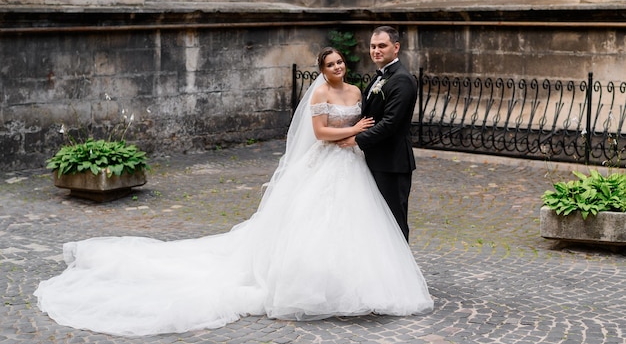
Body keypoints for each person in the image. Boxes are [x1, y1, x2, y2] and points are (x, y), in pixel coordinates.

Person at [34, 47, 433, 337]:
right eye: (329, 64)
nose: (337, 67)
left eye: (340, 62)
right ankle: (309, 286)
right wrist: (353, 132)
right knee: (313, 224)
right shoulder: (320, 94)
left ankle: (356, 283)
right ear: (322, 69)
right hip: (327, 163)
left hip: (352, 167)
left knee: (356, 225)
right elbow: (321, 133)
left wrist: (359, 134)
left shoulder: (357, 90)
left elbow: (370, 119)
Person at [338, 26, 418, 241]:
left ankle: (401, 272)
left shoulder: (402, 80)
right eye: (373, 46)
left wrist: (356, 139)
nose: (376, 51)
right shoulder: (380, 77)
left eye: (382, 46)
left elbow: (390, 123)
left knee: (393, 221)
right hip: (375, 160)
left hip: (391, 163)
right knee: (376, 221)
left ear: (396, 47)